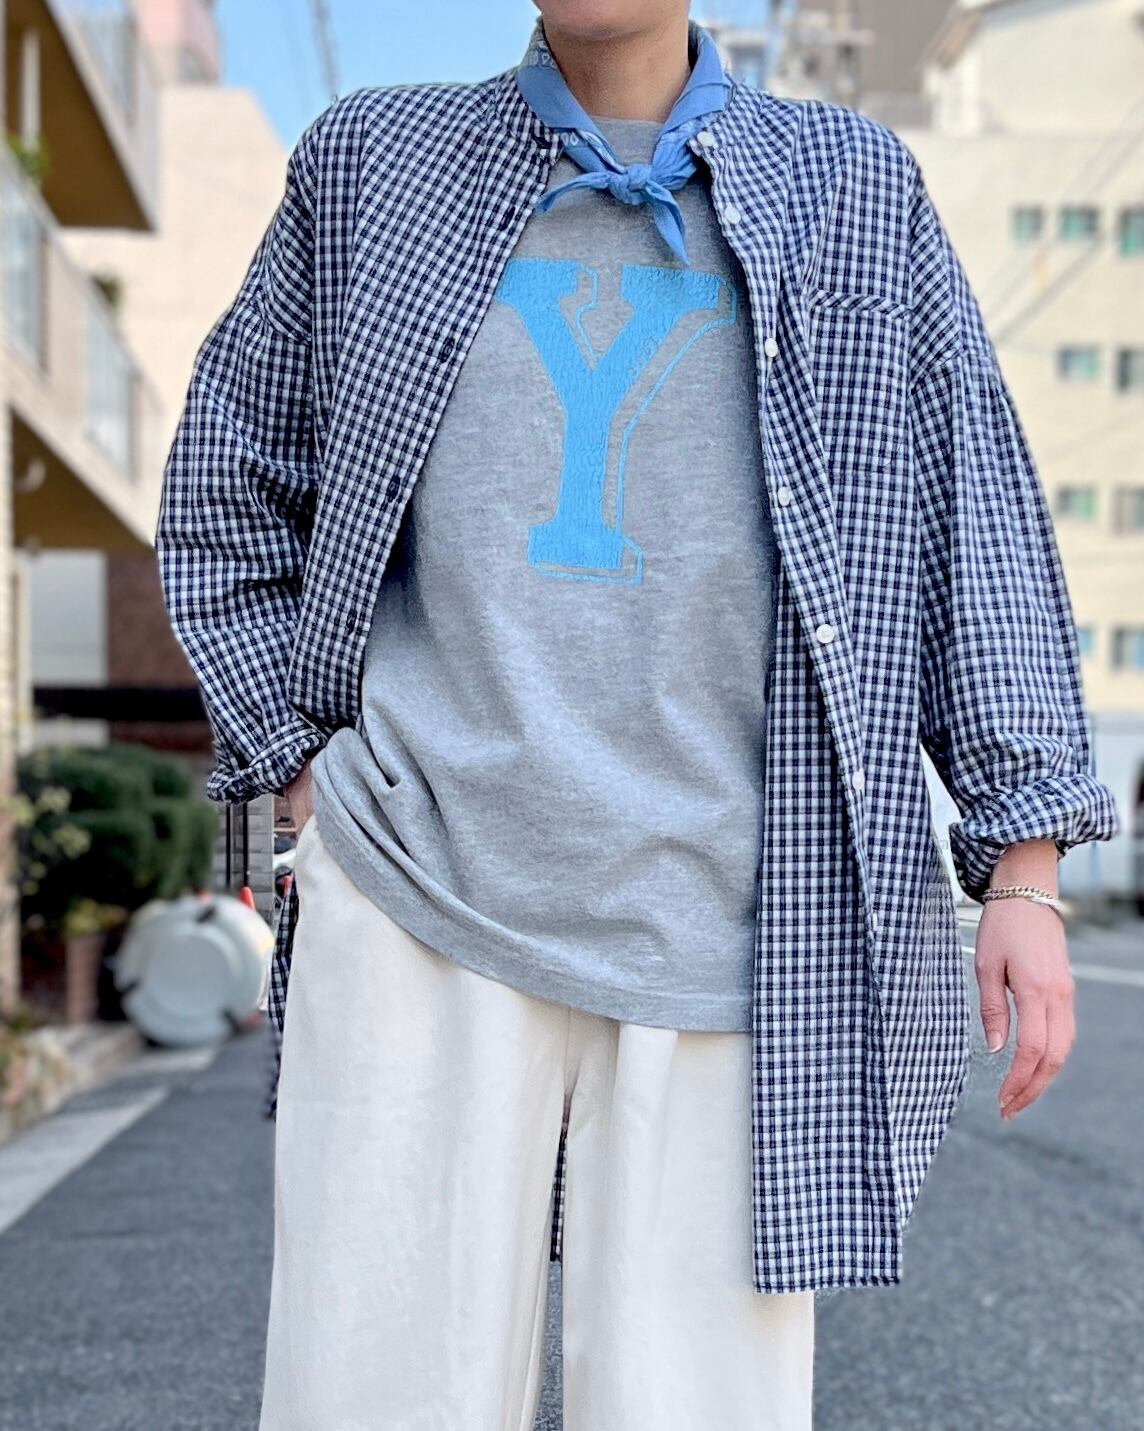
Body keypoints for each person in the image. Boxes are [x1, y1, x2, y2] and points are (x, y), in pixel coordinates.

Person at [156, 3, 1119, 1426]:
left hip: (738, 925)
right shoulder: (375, 165)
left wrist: (1024, 866)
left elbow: (964, 515)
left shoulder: (851, 191)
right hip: (418, 889)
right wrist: (297, 773)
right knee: (370, 1400)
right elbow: (227, 476)